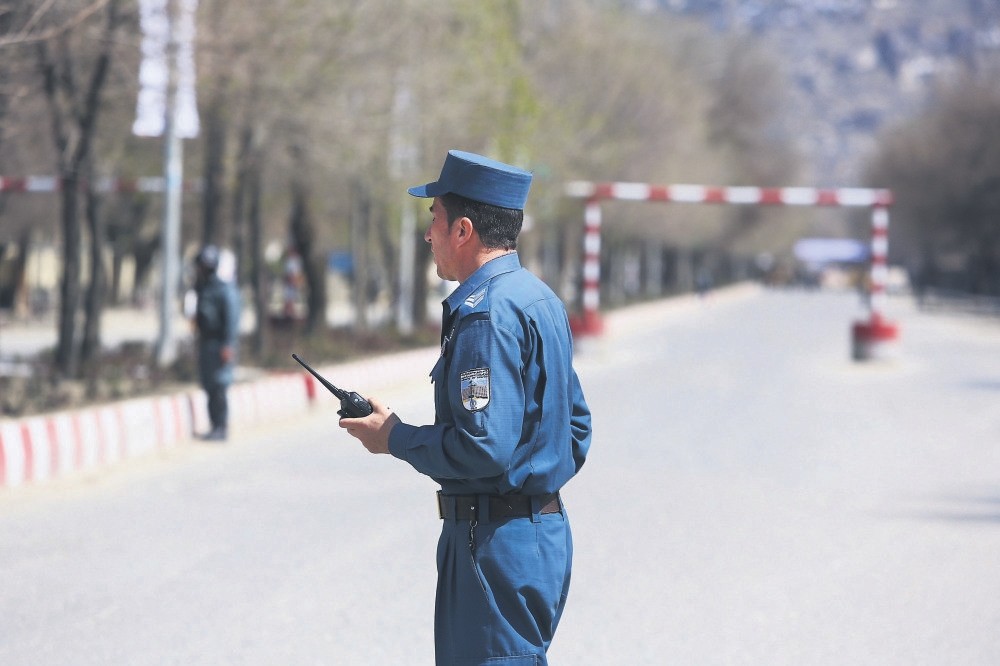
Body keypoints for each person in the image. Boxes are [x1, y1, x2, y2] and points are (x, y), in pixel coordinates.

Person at [339, 150, 592, 665]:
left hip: (493, 544)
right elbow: (576, 427)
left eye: (435, 220)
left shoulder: (486, 315)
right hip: (537, 536)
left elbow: (484, 448)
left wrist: (394, 437)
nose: (428, 235)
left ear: (464, 230)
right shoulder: (538, 299)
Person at [193, 245, 241, 441]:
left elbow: (231, 319)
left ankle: (221, 426)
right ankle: (213, 424)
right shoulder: (203, 287)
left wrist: (228, 345)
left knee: (219, 386)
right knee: (209, 385)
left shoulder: (224, 289)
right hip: (207, 344)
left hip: (220, 345)